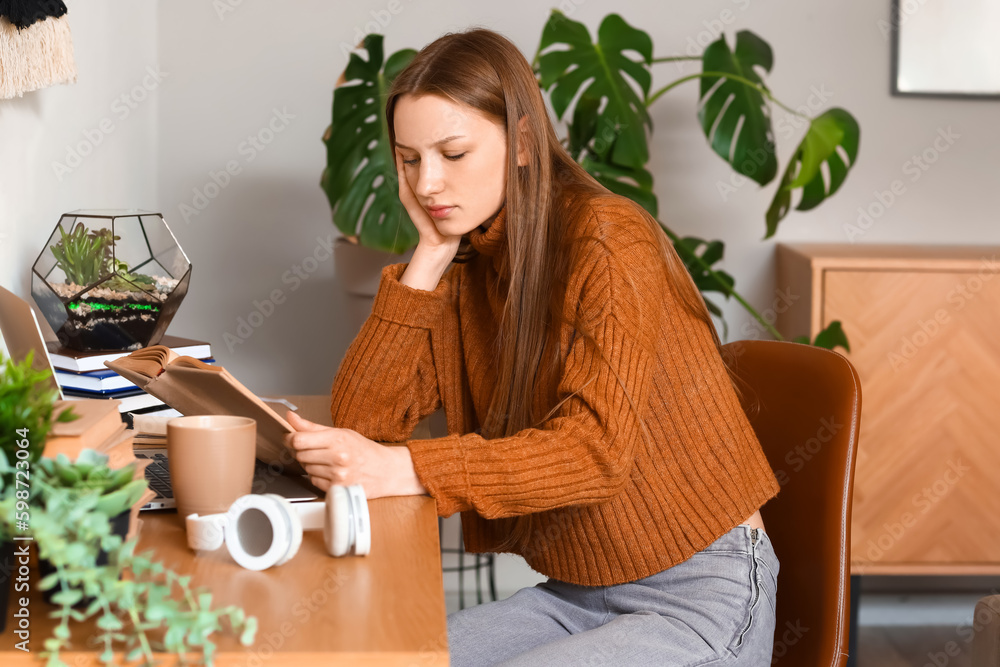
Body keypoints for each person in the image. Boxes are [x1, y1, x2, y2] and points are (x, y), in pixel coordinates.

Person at [283, 27, 781, 666]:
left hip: (701, 594)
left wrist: (408, 469)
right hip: (578, 595)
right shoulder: (465, 258)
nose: (428, 183)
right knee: (390, 658)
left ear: (521, 142)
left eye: (453, 154)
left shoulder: (608, 239)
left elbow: (593, 452)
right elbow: (364, 421)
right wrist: (429, 256)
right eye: (409, 159)